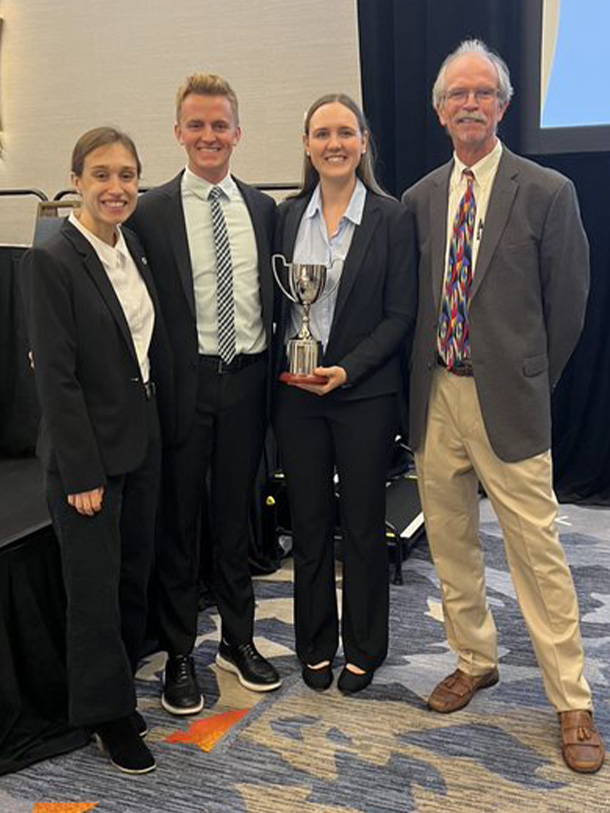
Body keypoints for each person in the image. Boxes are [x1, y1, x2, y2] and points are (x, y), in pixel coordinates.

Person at [402, 39, 605, 773]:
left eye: (483, 93)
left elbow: (570, 302)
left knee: (538, 554)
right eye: (457, 94)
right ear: (439, 110)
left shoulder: (547, 190)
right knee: (451, 541)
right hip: (437, 396)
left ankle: (572, 700)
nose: (470, 104)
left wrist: (526, 376)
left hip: (509, 400)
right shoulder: (421, 197)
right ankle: (473, 657)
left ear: (505, 106)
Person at [20, 127, 173, 774]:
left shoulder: (130, 246)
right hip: (87, 461)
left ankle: (121, 691)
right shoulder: (54, 259)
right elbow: (54, 375)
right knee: (94, 592)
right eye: (102, 174)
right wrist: (81, 469)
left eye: (128, 174)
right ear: (76, 180)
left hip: (139, 443)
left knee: (132, 576)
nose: (116, 187)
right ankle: (106, 716)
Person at [128, 73, 280, 715]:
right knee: (181, 524)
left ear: (238, 133)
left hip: (247, 382)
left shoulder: (264, 209)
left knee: (236, 519)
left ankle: (238, 642)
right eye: (197, 125)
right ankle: (181, 656)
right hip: (184, 387)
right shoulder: (150, 209)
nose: (209, 136)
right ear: (179, 133)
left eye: (220, 125)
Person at [273, 93, 417, 694]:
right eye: (321, 133)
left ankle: (363, 647)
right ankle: (314, 643)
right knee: (307, 525)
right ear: (307, 145)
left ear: (363, 142)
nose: (333, 144)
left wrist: (347, 370)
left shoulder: (392, 216)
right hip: (297, 397)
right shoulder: (285, 216)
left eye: (344, 132)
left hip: (363, 396)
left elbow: (399, 314)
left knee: (360, 526)